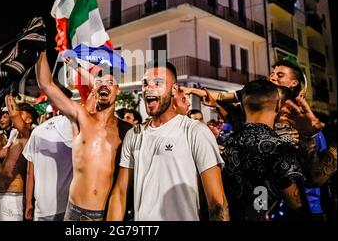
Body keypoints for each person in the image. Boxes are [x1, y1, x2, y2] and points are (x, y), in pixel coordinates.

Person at [107, 61, 228, 221]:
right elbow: (120, 193)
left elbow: (217, 202)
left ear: (174, 89)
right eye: (145, 83)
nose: (148, 88)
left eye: (157, 83)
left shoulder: (195, 131)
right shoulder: (134, 134)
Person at [36, 51, 132, 221]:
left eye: (110, 82)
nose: (104, 85)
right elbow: (46, 84)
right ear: (94, 90)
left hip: (102, 216)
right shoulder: (82, 118)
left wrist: (78, 68)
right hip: (73, 213)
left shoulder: (124, 130)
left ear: (117, 90)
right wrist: (40, 49)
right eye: (99, 82)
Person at [221, 80, 310, 221]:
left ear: (243, 108)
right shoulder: (277, 147)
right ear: (278, 105)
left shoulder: (229, 142)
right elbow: (296, 202)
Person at [0, 96, 37, 221]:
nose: (17, 116)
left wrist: (9, 97)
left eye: (21, 114)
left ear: (29, 119)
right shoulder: (14, 134)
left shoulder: (28, 134)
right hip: (0, 193)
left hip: (13, 196)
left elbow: (14, 115)